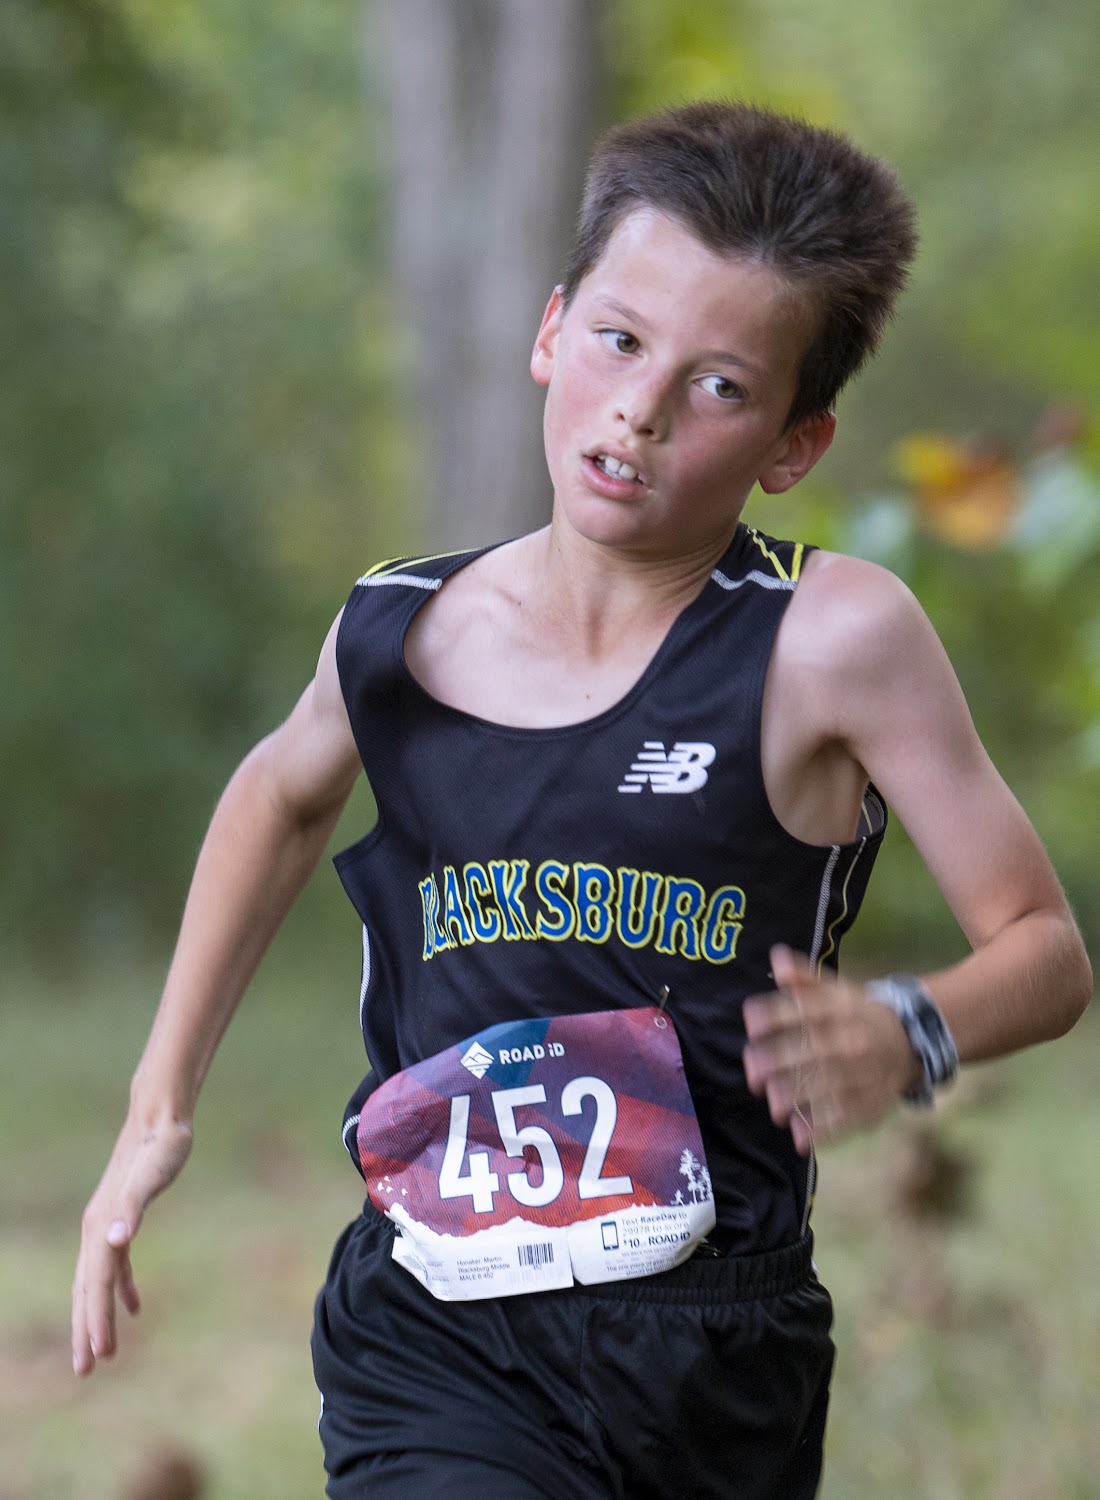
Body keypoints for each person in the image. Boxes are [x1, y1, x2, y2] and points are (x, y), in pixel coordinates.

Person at [72, 102, 1091, 1498]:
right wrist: (159, 1106)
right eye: (619, 341)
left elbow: (1046, 950)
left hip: (714, 1351)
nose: (643, 409)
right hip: (436, 1322)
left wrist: (908, 1027)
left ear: (794, 444)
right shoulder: (399, 632)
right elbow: (280, 794)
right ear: (551, 330)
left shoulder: (831, 640)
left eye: (718, 384)